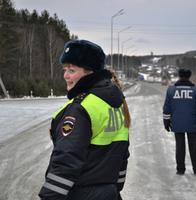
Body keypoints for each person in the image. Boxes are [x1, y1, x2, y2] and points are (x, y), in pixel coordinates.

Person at [39, 40, 130, 200]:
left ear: (90, 73)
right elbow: (122, 154)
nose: (65, 75)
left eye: (72, 70)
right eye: (65, 69)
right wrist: (114, 188)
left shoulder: (81, 108)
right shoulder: (116, 103)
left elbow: (66, 161)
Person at [163, 68, 196, 175]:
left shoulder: (171, 90)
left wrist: (166, 122)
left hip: (177, 124)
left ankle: (180, 169)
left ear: (179, 76)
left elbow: (167, 108)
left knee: (180, 146)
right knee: (194, 147)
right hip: (192, 124)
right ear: (189, 77)